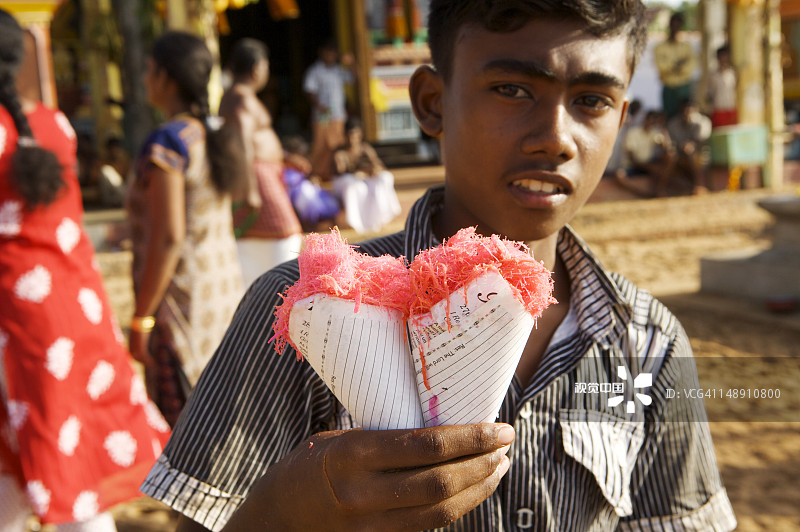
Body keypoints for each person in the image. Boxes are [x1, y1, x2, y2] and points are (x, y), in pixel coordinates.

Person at [142, 2, 737, 531]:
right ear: (432, 102)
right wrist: (292, 509)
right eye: (512, 89)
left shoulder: (647, 342)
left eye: (591, 101)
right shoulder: (308, 312)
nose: (556, 137)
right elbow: (199, 518)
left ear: (622, 114)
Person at [0, 9, 170, 531]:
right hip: (76, 305)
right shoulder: (56, 124)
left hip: (15, 314)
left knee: (33, 450)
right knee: (73, 448)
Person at [126, 31, 247, 427]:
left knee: (189, 436)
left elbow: (169, 236)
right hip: (220, 293)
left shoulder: (167, 143)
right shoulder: (206, 135)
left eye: (148, 71)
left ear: (165, 78)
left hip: (181, 303)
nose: (145, 80)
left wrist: (141, 317)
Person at [219, 38, 303, 288]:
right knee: (285, 235)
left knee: (284, 240)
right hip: (256, 180)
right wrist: (251, 189)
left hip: (261, 176)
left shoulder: (239, 97)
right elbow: (243, 144)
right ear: (257, 68)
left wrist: (284, 157)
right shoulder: (240, 99)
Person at [331, 117, 402, 234]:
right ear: (344, 135)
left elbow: (378, 166)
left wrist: (372, 170)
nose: (352, 139)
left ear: (360, 135)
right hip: (345, 182)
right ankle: (355, 223)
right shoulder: (339, 152)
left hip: (362, 179)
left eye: (355, 135)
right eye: (349, 135)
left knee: (384, 178)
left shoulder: (365, 148)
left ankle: (381, 218)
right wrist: (360, 171)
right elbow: (341, 171)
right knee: (356, 186)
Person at [303, 40, 356, 180]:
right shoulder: (315, 71)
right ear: (322, 53)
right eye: (328, 52)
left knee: (337, 144)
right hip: (322, 116)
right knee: (321, 145)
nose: (331, 56)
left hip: (338, 115)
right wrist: (319, 106)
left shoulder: (338, 70)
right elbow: (310, 90)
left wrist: (351, 63)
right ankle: (316, 173)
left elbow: (354, 78)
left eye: (333, 53)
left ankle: (334, 172)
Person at [281, 135, 340, 231]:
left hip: (302, 188)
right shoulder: (282, 158)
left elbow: (307, 170)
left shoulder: (301, 162)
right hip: (290, 191)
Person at [622, 109, 676, 196]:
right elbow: (632, 158)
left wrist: (662, 128)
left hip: (647, 164)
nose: (652, 123)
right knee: (620, 176)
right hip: (634, 166)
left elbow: (668, 149)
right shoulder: (633, 133)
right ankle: (645, 193)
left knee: (670, 157)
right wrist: (647, 167)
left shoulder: (654, 133)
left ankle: (658, 190)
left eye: (654, 121)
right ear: (645, 119)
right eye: (651, 120)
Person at [654, 12, 696, 119]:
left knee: (686, 116)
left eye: (678, 24)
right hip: (669, 87)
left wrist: (671, 66)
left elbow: (690, 67)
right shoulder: (660, 47)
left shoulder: (687, 47)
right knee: (669, 117)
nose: (675, 27)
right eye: (673, 24)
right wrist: (678, 64)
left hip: (684, 87)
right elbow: (661, 67)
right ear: (669, 25)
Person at [667, 98, 713, 194]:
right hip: (680, 154)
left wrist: (691, 145)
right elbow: (671, 143)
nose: (687, 113)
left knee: (693, 154)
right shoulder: (673, 124)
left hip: (701, 154)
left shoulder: (702, 122)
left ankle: (699, 185)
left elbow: (702, 140)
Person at [706, 44, 737, 128]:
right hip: (718, 108)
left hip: (731, 107)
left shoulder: (733, 73)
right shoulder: (713, 75)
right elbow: (709, 93)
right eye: (721, 57)